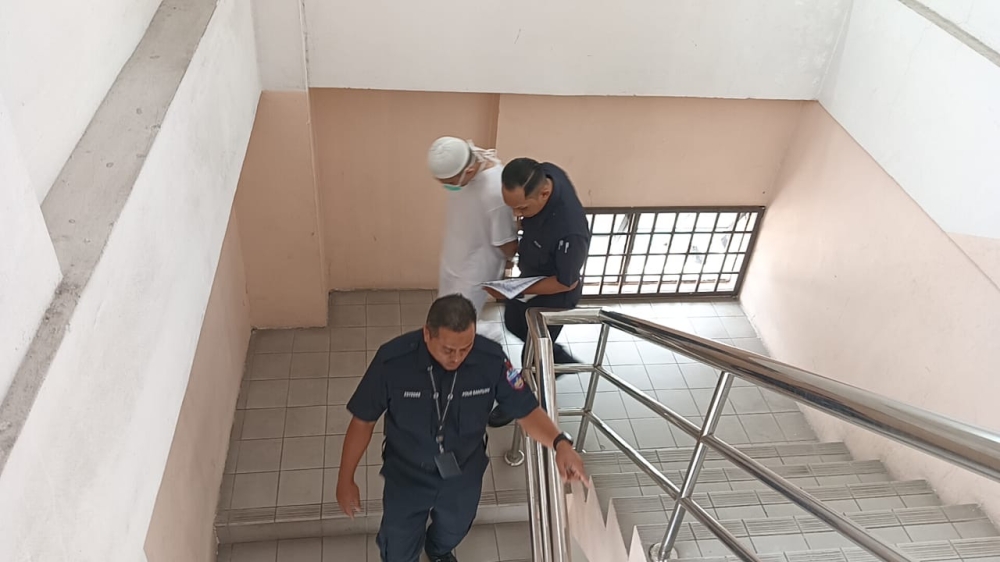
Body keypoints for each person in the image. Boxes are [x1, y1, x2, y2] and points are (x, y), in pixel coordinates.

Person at [336, 294, 587, 562]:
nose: (456, 358)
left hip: (464, 470)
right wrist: (345, 477)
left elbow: (525, 410)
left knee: (454, 528)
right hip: (407, 472)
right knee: (397, 543)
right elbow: (363, 421)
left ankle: (438, 551)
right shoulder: (393, 362)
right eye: (447, 349)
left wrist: (560, 443)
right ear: (427, 334)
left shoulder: (490, 360)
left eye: (465, 348)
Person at [485, 158, 592, 428]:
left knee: (531, 356)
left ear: (544, 194)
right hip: (531, 278)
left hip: (554, 295)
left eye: (522, 208)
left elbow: (566, 282)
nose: (517, 216)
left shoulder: (570, 230)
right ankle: (556, 356)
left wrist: (516, 288)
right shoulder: (545, 173)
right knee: (512, 320)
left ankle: (521, 402)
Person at [427, 137, 519, 314]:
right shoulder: (468, 157)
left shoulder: (496, 191)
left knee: (462, 319)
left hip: (475, 272)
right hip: (453, 257)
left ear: (468, 171)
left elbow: (507, 243)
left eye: (452, 183)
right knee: (444, 311)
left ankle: (486, 337)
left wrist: (510, 260)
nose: (449, 187)